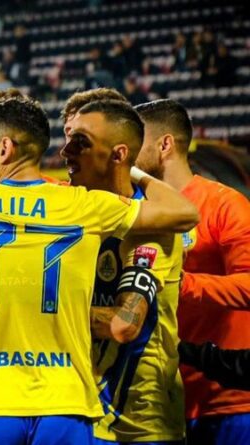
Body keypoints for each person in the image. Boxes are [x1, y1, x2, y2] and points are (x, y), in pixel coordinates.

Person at [0, 96, 199, 445]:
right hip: (67, 403)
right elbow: (184, 212)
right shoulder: (83, 205)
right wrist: (134, 169)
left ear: (4, 149)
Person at [62, 99, 185, 444]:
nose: (65, 152)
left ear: (118, 155)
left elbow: (123, 324)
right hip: (83, 410)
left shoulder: (151, 228)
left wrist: (41, 312)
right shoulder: (73, 211)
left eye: (80, 142)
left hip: (137, 424)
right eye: (68, 138)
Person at [134, 99, 250, 445]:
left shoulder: (224, 205)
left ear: (165, 145)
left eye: (136, 141)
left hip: (227, 400)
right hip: (159, 401)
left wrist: (179, 283)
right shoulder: (134, 211)